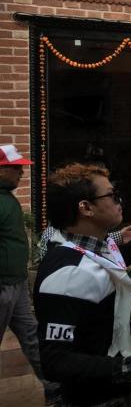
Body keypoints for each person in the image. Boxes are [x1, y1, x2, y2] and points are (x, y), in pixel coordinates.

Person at [35, 163, 131, 406]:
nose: (119, 200)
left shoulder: (91, 246)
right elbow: (54, 361)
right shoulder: (67, 275)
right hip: (99, 396)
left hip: (126, 384)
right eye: (112, 195)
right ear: (86, 208)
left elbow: (102, 262)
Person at [0, 144, 61, 405]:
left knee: (33, 337)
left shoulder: (7, 198)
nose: (21, 173)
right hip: (2, 285)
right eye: (15, 168)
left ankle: (55, 389)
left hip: (17, 284)